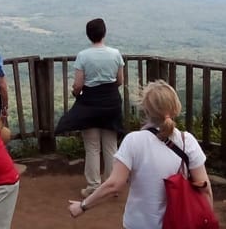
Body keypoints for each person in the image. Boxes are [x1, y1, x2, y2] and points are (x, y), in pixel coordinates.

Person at [67, 80, 213, 228]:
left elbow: (114, 185)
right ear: (175, 107)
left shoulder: (133, 141)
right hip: (179, 222)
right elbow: (205, 189)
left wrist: (82, 206)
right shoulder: (187, 141)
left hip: (139, 223)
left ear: (146, 110)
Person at [54, 18, 125, 197]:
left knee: (92, 147)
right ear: (104, 33)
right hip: (111, 103)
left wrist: (76, 93)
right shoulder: (115, 54)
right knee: (111, 147)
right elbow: (120, 81)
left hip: (90, 104)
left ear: (88, 35)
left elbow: (78, 85)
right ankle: (111, 186)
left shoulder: (83, 56)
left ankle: (93, 187)